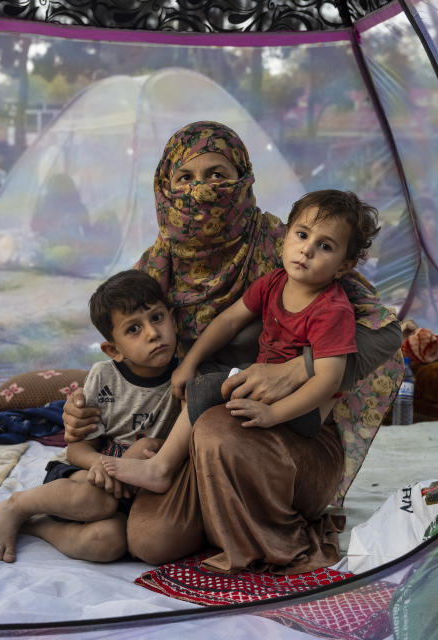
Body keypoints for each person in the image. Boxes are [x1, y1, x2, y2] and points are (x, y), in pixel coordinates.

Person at [63, 121, 403, 574]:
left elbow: (386, 333)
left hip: (283, 435)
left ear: (243, 179)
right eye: (186, 178)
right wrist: (83, 412)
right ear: (166, 187)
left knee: (217, 427)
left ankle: (256, 525)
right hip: (190, 432)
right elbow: (130, 357)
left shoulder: (286, 251)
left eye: (218, 174)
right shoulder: (156, 267)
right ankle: (216, 509)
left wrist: (296, 369)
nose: (202, 191)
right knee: (149, 540)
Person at [103, 190, 379, 494]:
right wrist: (190, 363)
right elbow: (228, 321)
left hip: (304, 408)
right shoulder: (274, 283)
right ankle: (180, 457)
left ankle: (162, 468)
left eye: (325, 246)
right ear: (286, 237)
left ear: (343, 266)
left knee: (208, 387)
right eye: (302, 235)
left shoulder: (331, 310)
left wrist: (275, 413)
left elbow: (329, 380)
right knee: (204, 371)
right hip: (264, 379)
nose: (307, 250)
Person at [0, 270, 181, 563]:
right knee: (96, 499)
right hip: (84, 478)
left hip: (135, 491)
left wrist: (129, 465)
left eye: (157, 318)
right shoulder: (105, 376)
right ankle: (17, 506)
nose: (152, 333)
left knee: (107, 542)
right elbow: (78, 448)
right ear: (114, 350)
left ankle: (37, 525)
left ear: (173, 319)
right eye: (133, 329)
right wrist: (106, 466)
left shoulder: (187, 378)